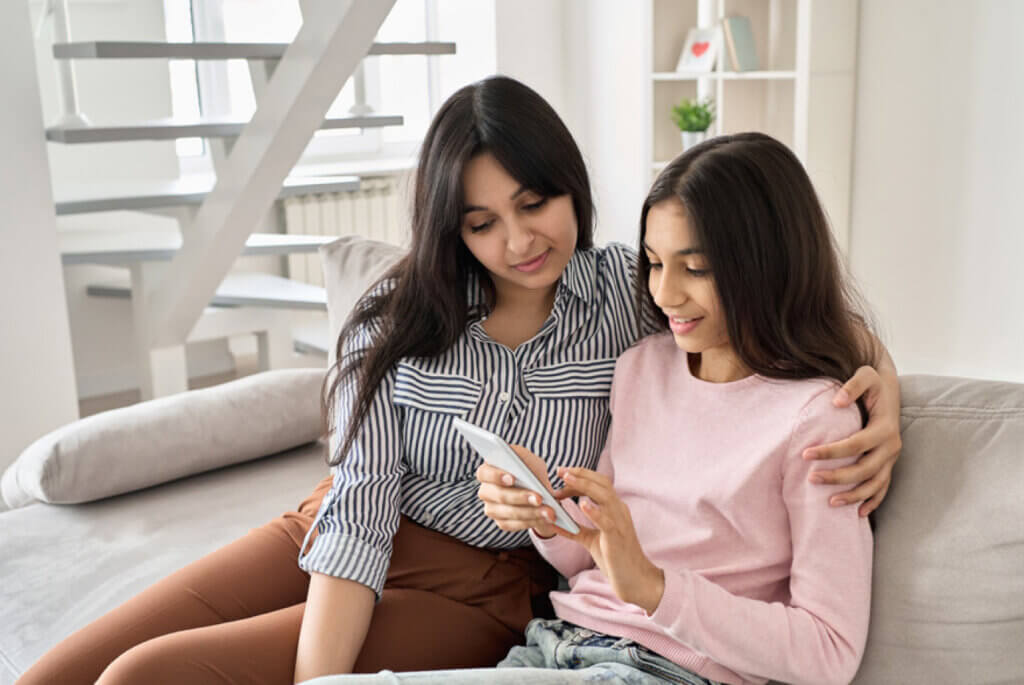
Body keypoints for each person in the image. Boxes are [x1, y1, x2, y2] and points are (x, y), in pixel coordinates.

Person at [16, 80, 899, 685]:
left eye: (535, 202)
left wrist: (879, 394)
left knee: (143, 676)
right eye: (481, 221)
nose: (518, 240)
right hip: (343, 527)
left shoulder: (625, 298)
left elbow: (774, 305)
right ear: (451, 226)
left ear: (571, 190)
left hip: (486, 580)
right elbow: (354, 520)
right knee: (62, 671)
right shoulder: (394, 319)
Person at [303, 131, 878, 685]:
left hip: (663, 670)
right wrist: (544, 510)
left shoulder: (816, 420)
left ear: (769, 263)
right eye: (654, 262)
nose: (664, 293)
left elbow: (831, 652)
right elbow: (585, 560)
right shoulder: (643, 366)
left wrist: (655, 588)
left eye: (695, 268)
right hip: (555, 645)